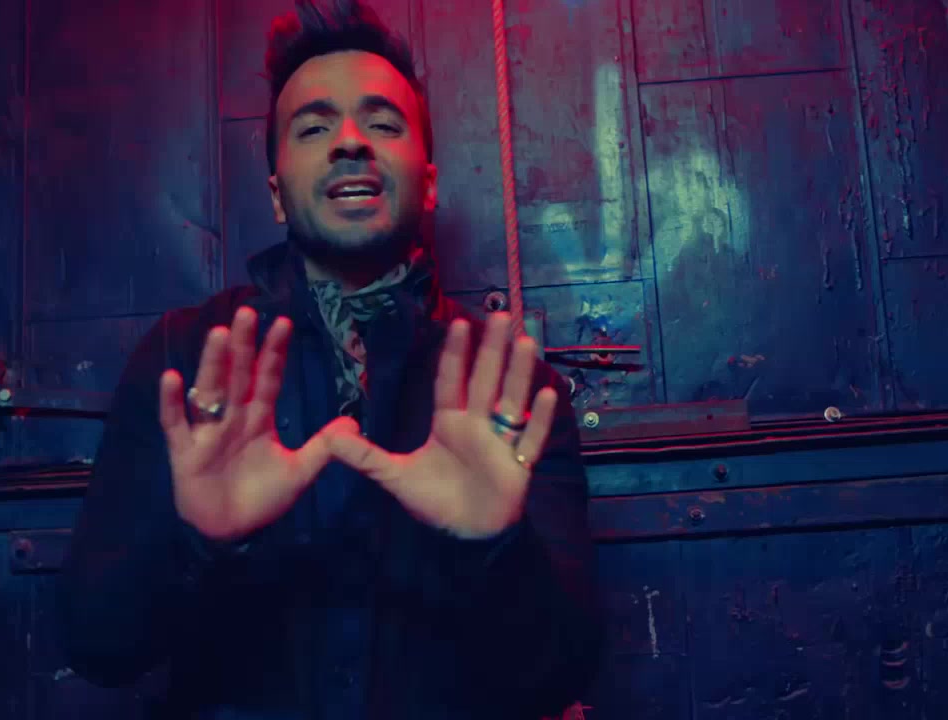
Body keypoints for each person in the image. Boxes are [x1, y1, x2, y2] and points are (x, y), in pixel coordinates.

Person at [56, 1, 601, 718]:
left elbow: (562, 674)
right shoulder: (186, 360)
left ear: (429, 182)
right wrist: (196, 543)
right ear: (277, 195)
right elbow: (97, 645)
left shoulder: (510, 387)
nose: (349, 141)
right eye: (314, 128)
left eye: (383, 124)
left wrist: (495, 548)